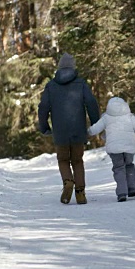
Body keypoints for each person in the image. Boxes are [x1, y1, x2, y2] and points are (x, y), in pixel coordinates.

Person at [38, 53, 100, 205]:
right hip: (78, 129)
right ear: (73, 67)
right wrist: (95, 123)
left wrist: (44, 127)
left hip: (60, 131)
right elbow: (91, 102)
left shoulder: (51, 86)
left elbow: (43, 107)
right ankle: (80, 193)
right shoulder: (81, 83)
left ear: (59, 68)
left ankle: (67, 182)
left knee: (63, 159)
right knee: (78, 161)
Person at [87, 97, 135, 202]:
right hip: (129, 147)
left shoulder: (106, 117)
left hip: (114, 149)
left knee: (119, 168)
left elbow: (95, 128)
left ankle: (122, 193)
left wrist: (87, 132)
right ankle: (131, 189)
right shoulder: (130, 116)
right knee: (129, 165)